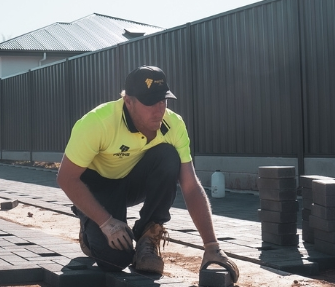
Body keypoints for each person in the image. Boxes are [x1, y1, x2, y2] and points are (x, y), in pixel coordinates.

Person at [56, 66, 239, 281]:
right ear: (128, 102)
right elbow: (66, 178)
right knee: (115, 260)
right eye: (150, 102)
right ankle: (88, 223)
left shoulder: (173, 124)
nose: (159, 109)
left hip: (130, 182)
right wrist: (106, 222)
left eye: (163, 100)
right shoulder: (97, 122)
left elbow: (190, 186)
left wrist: (212, 246)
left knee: (169, 157)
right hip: (96, 187)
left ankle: (148, 236)